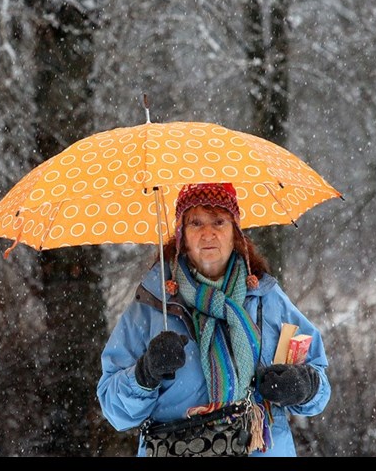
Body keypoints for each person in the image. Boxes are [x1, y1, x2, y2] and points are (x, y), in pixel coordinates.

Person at [96, 182, 331, 457]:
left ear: (235, 233)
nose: (208, 233)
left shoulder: (267, 298)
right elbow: (115, 410)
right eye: (195, 223)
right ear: (182, 236)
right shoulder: (152, 305)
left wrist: (304, 386)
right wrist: (144, 373)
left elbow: (319, 385)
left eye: (219, 221)